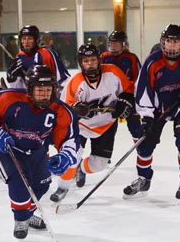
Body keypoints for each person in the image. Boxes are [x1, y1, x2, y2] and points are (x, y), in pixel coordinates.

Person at [0, 65, 80, 239]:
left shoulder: (60, 111)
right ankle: (21, 219)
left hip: (34, 149)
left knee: (43, 183)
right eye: (40, 90)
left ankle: (26, 213)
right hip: (4, 147)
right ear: (30, 89)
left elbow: (70, 140)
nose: (44, 94)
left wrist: (64, 157)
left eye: (48, 90)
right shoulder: (8, 98)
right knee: (19, 180)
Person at [123, 24, 180, 200]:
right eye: (168, 42)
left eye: (176, 42)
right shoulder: (152, 62)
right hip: (159, 109)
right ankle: (143, 178)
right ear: (162, 42)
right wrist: (148, 118)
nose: (172, 46)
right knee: (144, 147)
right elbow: (142, 92)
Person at [50, 44, 134, 202]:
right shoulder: (74, 83)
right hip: (80, 128)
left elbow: (129, 90)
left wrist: (125, 103)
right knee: (73, 156)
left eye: (93, 60)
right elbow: (63, 112)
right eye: (86, 61)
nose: (90, 64)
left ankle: (81, 169)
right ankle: (63, 187)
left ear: (99, 60)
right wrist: (76, 111)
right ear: (81, 63)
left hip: (106, 126)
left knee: (99, 165)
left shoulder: (113, 72)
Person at [100, 30, 142, 143]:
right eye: (111, 43)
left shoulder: (131, 58)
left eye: (116, 43)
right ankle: (104, 152)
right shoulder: (104, 57)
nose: (113, 46)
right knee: (107, 127)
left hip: (128, 96)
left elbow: (138, 79)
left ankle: (140, 147)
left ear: (123, 44)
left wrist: (134, 98)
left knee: (134, 124)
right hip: (109, 97)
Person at [6, 25, 70, 89]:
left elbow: (63, 78)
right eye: (23, 38)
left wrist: (61, 92)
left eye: (30, 38)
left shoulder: (47, 54)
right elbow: (18, 87)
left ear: (36, 40)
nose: (26, 42)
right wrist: (12, 78)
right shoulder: (20, 57)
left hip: (48, 93)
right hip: (29, 96)